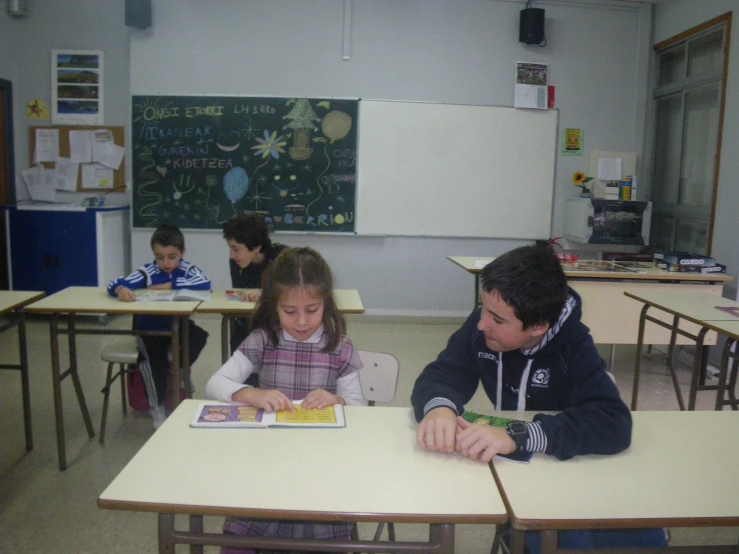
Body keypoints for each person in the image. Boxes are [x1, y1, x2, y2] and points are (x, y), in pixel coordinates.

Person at [411, 245, 667, 553]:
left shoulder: (575, 346)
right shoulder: (485, 325)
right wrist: (440, 406)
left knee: (568, 538)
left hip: (573, 474)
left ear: (537, 327)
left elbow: (613, 424)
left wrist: (520, 435)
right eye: (482, 309)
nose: (481, 325)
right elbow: (443, 373)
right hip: (519, 475)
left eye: (497, 319)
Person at [206, 246, 366, 554]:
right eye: (290, 311)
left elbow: (359, 407)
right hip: (267, 467)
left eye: (313, 309)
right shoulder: (264, 340)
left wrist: (337, 400)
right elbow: (215, 383)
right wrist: (250, 393)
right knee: (237, 543)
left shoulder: (340, 348)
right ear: (274, 306)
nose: (302, 321)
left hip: (322, 472)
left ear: (327, 304)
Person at [107, 224, 210, 430]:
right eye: (160, 257)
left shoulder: (187, 270)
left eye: (172, 256)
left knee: (199, 336)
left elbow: (205, 283)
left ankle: (179, 372)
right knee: (155, 361)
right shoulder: (148, 271)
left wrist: (172, 285)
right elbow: (116, 282)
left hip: (177, 326)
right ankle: (157, 407)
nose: (166, 262)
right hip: (150, 329)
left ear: (182, 253)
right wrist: (120, 289)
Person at [223, 213, 287, 354]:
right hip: (248, 322)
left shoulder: (284, 256)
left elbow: (296, 292)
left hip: (278, 325)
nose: (232, 255)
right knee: (239, 345)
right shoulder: (236, 261)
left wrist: (267, 294)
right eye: (230, 248)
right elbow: (238, 294)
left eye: (236, 249)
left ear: (256, 247)